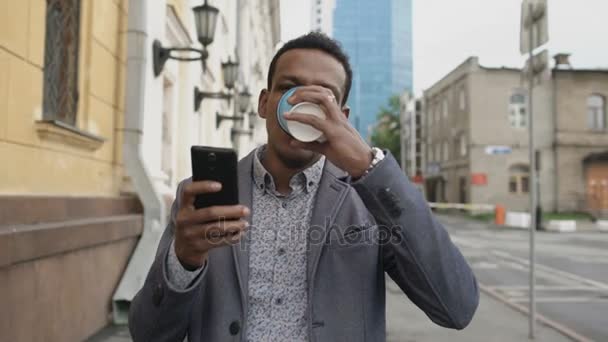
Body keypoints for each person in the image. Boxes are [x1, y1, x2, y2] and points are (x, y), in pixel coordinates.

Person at [129, 32, 479, 342]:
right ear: (265, 103)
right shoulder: (205, 195)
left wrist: (369, 165)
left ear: (340, 114)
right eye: (289, 88)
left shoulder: (368, 199)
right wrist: (184, 261)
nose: (302, 108)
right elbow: (148, 334)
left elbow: (455, 307)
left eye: (322, 96)